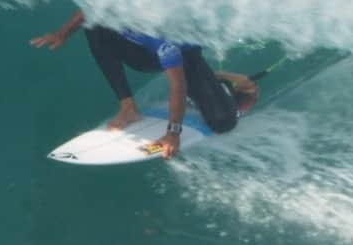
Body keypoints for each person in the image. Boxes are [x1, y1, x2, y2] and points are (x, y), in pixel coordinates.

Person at [31, 9, 242, 159]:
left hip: (185, 59)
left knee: (223, 122)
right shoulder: (118, 3)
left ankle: (220, 82)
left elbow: (177, 85)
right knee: (94, 28)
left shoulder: (163, 40)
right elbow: (89, 10)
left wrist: (172, 133)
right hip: (142, 54)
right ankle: (128, 107)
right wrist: (62, 33)